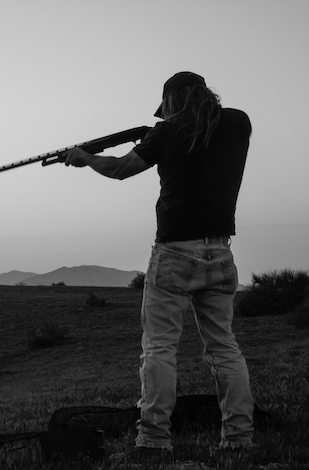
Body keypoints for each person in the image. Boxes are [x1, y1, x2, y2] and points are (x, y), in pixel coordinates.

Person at [63, 71, 255, 459]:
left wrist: (86, 158)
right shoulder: (238, 122)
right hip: (220, 252)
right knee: (224, 348)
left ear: (171, 101)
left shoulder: (166, 133)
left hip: (174, 253)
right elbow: (202, 130)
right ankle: (239, 440)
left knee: (159, 349)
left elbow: (121, 169)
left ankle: (153, 440)